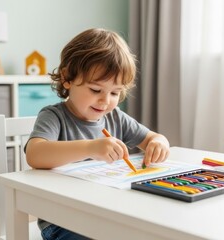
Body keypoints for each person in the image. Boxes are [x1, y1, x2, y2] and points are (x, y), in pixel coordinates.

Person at [25, 28, 170, 240]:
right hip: (62, 221)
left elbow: (153, 138)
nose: (105, 101)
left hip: (108, 214)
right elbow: (35, 154)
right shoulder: (54, 116)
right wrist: (91, 147)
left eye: (115, 92)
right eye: (95, 90)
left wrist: (159, 143)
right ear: (67, 79)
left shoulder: (116, 117)